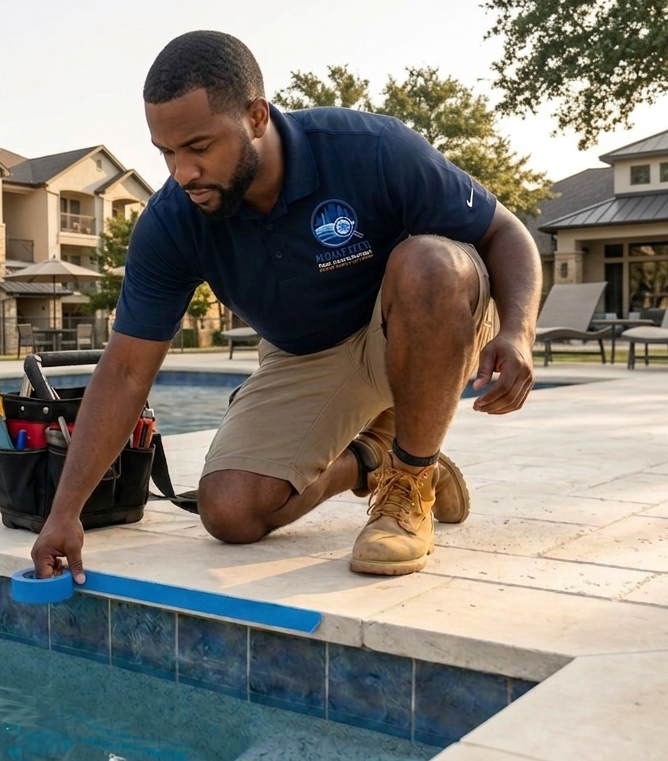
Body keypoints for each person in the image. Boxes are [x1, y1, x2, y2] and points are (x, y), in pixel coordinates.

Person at [32, 30, 540, 582]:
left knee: (431, 263)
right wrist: (65, 513)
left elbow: (505, 232)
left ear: (255, 117)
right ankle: (377, 454)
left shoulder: (369, 148)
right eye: (167, 152)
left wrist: (518, 333)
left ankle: (410, 486)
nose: (183, 173)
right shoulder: (173, 221)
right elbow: (128, 368)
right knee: (229, 510)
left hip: (416, 324)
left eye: (199, 147)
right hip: (304, 354)